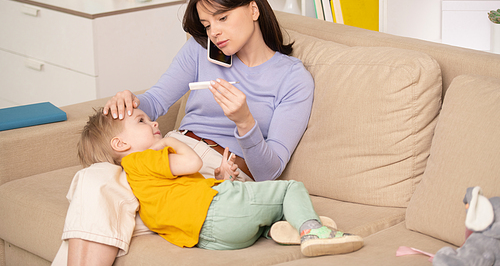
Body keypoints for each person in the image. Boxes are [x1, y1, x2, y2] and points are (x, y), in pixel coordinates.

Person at [59, 108, 363, 265]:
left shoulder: (140, 175)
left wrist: (219, 174)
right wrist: (169, 140)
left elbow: (186, 191)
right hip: (217, 210)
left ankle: (280, 228)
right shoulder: (150, 158)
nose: (154, 123)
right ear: (121, 143)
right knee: (289, 188)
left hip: (208, 236)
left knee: (248, 210)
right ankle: (311, 229)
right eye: (142, 120)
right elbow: (191, 166)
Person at [103, 0, 314, 182]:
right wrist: (131, 102)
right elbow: (156, 101)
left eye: (222, 18)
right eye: (207, 25)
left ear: (253, 10)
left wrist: (245, 122)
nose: (213, 33)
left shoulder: (293, 78)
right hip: (173, 153)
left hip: (223, 171)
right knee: (98, 181)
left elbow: (269, 172)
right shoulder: (200, 49)